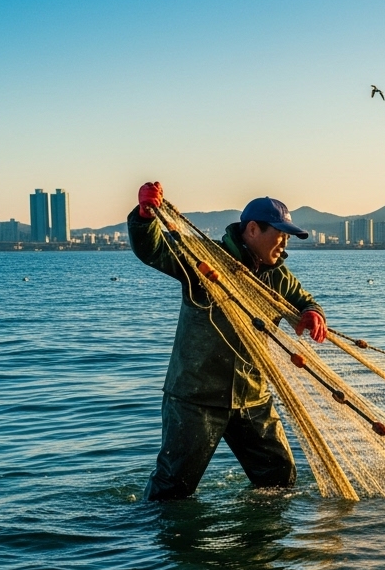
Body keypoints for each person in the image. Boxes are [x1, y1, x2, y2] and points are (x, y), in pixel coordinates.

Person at [128, 182, 328, 501]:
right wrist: (144, 217)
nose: (285, 242)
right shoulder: (205, 259)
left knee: (279, 477)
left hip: (251, 396)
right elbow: (154, 250)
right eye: (280, 233)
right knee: (173, 488)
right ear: (252, 230)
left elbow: (302, 299)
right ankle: (144, 538)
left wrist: (312, 312)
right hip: (196, 397)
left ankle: (261, 544)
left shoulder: (278, 275)